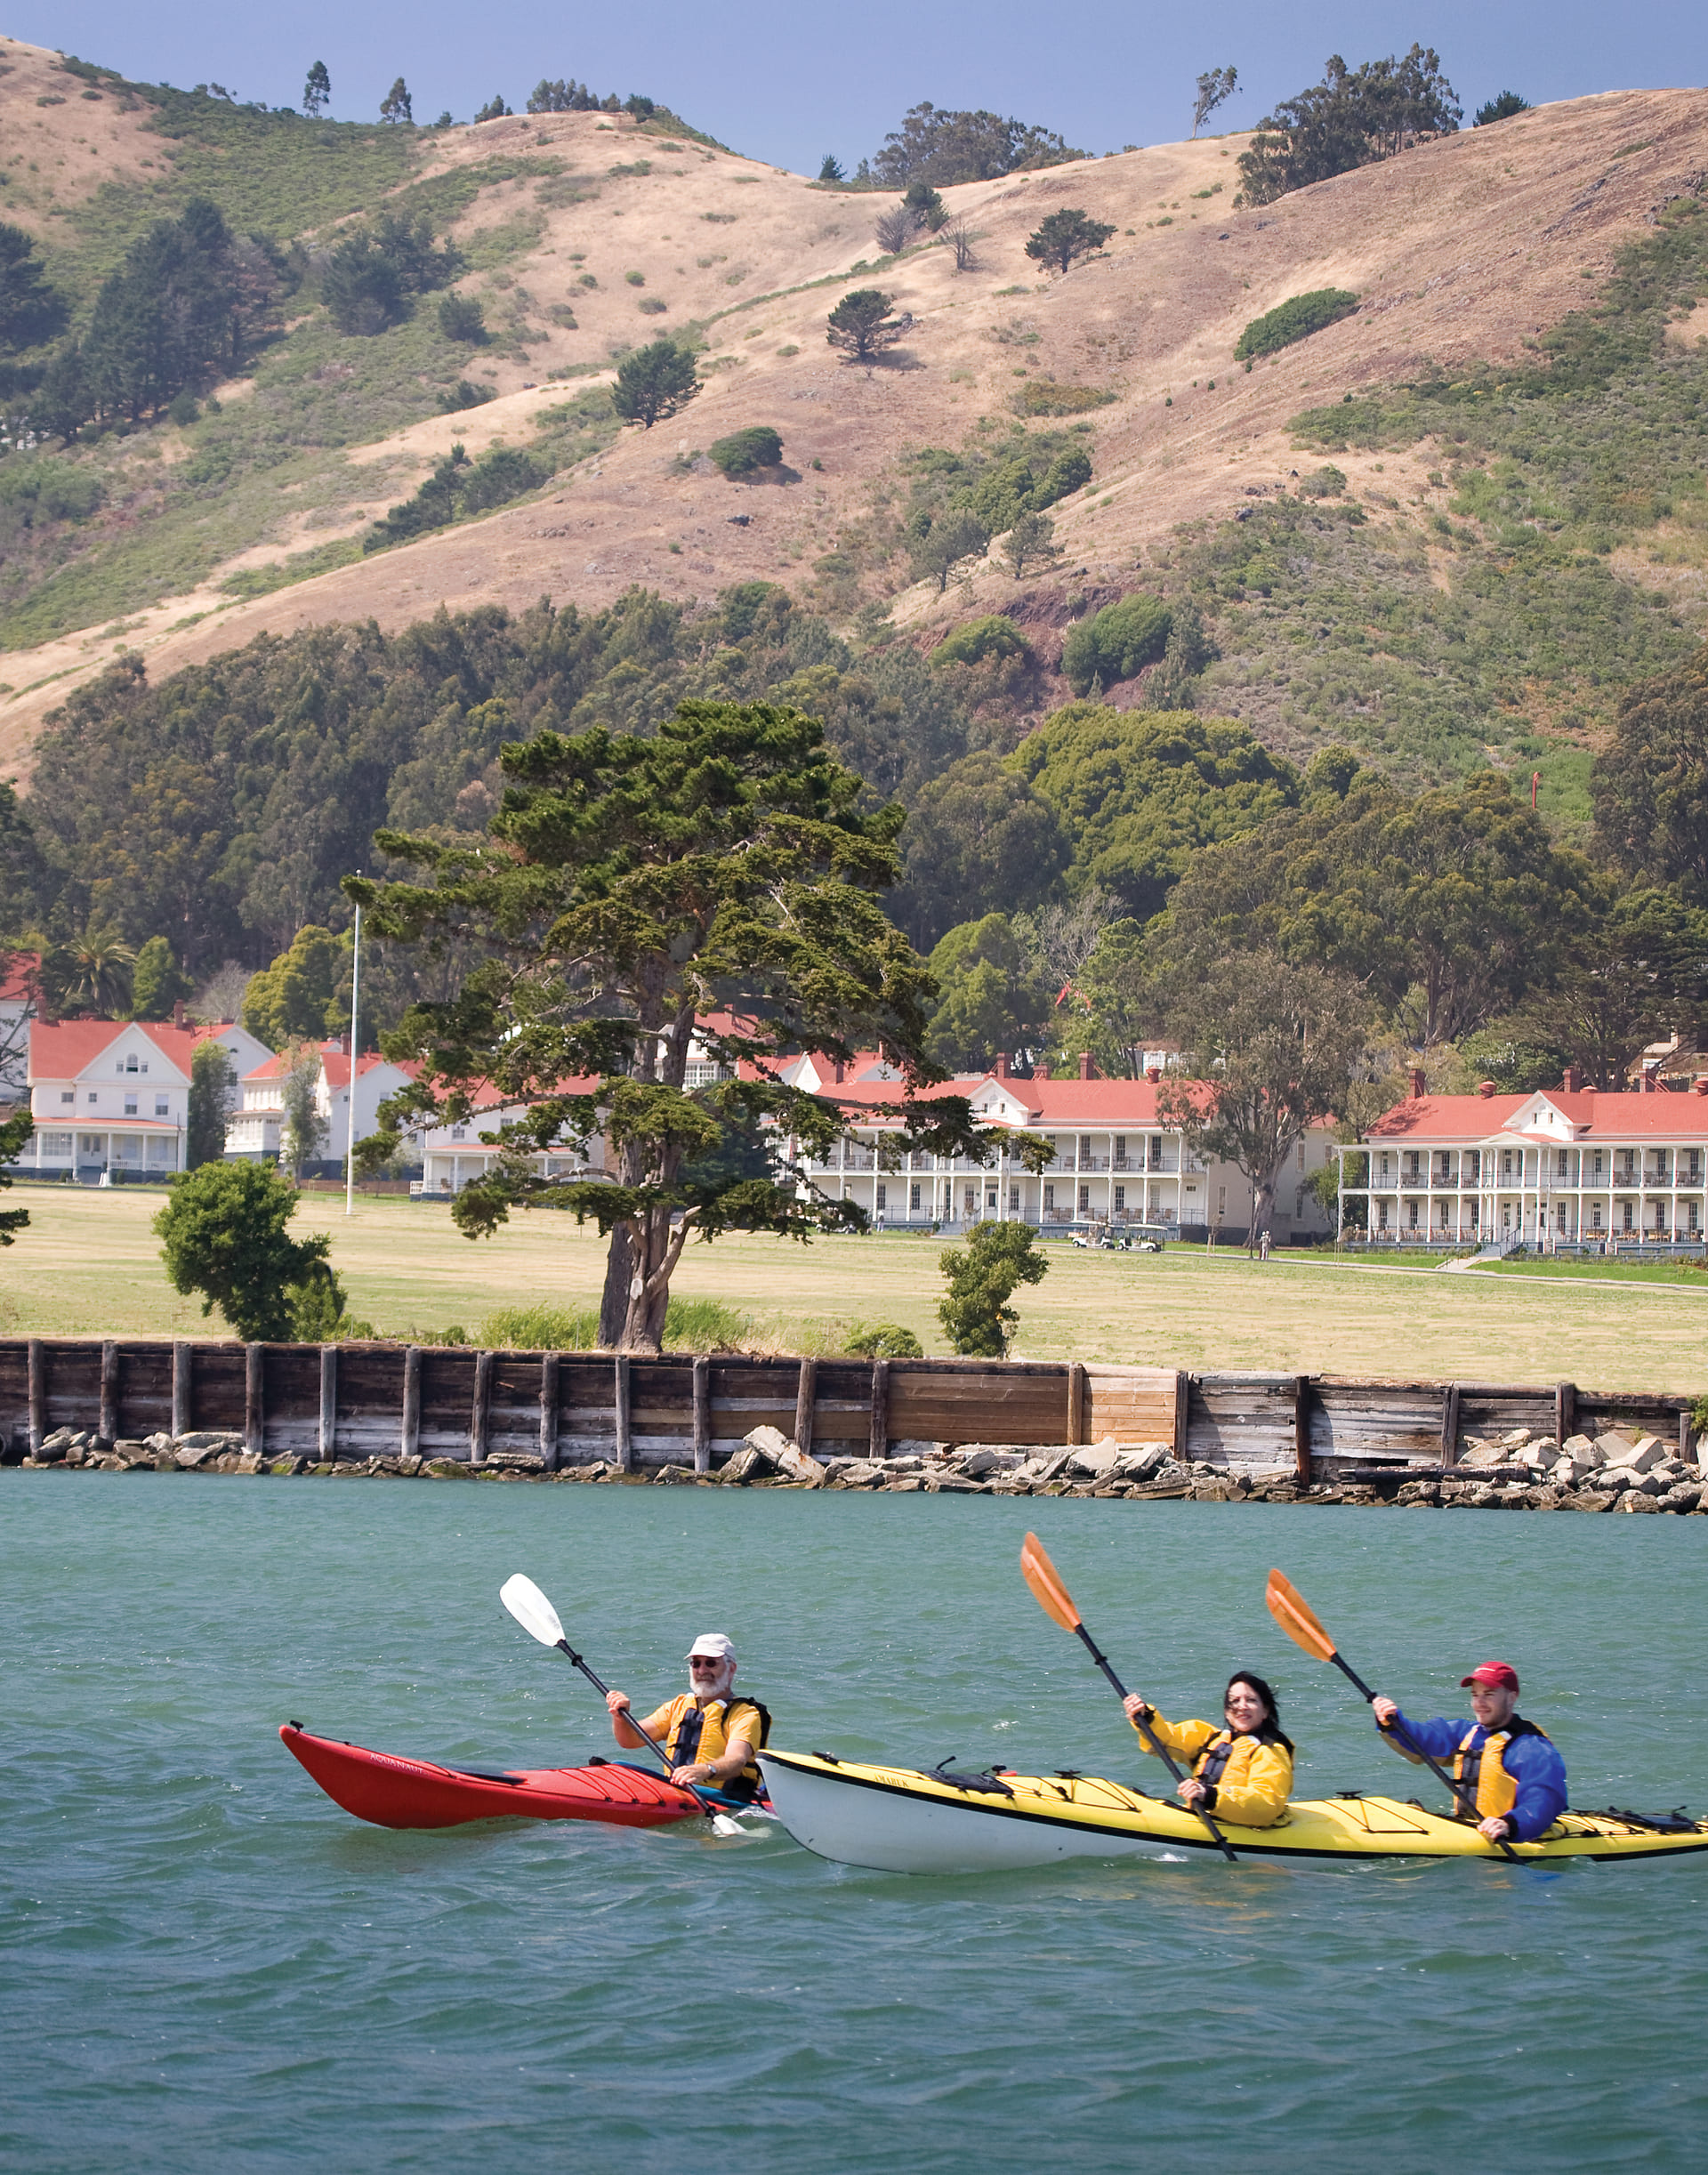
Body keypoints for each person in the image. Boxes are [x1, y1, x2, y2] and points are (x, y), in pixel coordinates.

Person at [1371, 1660, 1567, 1844]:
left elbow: (1543, 1800)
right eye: (1475, 1695)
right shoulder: (1468, 1733)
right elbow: (1422, 1739)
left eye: (1489, 1695)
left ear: (1512, 1697)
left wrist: (1509, 1824)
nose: (1479, 1703)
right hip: (1473, 1829)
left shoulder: (1531, 1747)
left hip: (1519, 1836)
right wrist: (1392, 1722)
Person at [605, 1631, 768, 1803]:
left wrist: (706, 1770)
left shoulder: (745, 1714)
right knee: (618, 1768)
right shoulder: (678, 1705)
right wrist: (620, 1717)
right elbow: (630, 1740)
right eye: (696, 1664)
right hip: (677, 1792)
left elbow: (736, 1760)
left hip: (723, 1800)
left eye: (711, 1663)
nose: (702, 1670)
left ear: (731, 1669)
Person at [1120, 1671, 1294, 1827]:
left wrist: (1209, 1795)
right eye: (1235, 1701)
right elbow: (1163, 1742)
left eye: (1251, 1700)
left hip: (1248, 1828)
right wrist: (1145, 1718)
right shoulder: (1209, 1737)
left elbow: (1266, 1804)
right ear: (1227, 1712)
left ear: (1265, 1711)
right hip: (1203, 1818)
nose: (1242, 1706)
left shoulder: (1271, 1751)